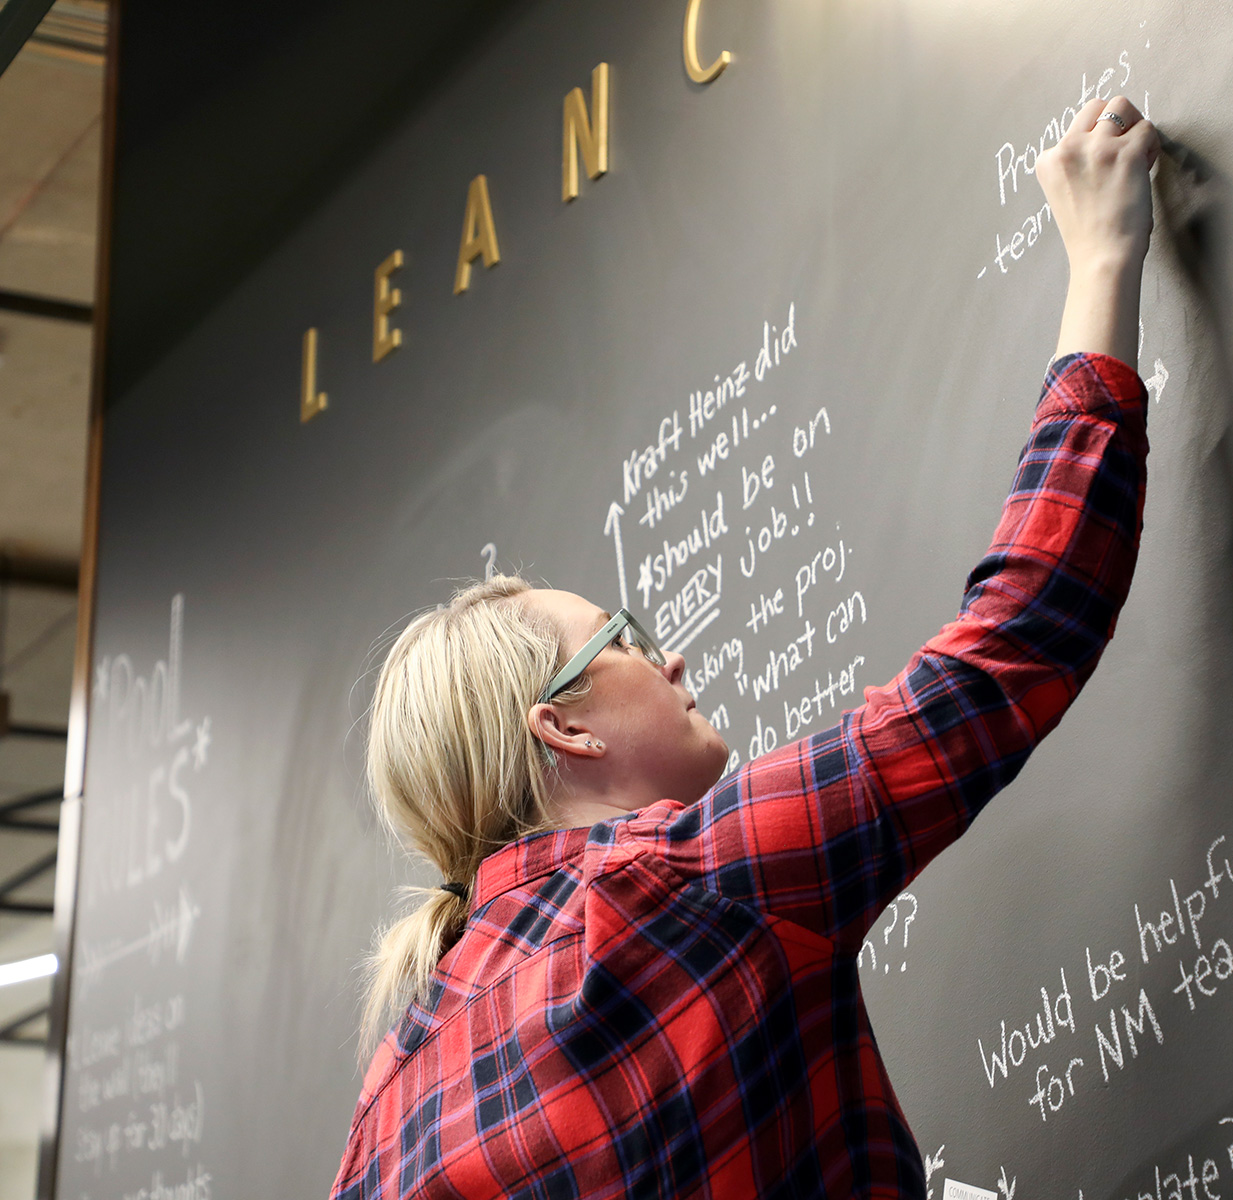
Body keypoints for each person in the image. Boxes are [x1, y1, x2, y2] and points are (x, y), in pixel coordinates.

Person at [331, 93, 1160, 1199]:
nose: (671, 660)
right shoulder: (689, 886)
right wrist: (1102, 259)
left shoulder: (388, 1102)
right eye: (624, 638)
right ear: (563, 723)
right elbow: (1016, 641)